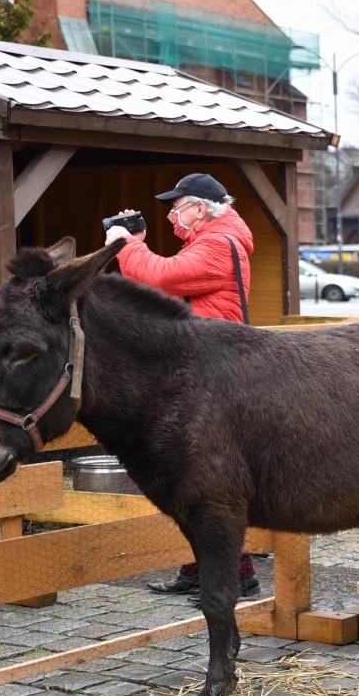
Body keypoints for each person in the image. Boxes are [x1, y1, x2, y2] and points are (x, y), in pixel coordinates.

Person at [105, 172, 259, 601]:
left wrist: (126, 242)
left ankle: (238, 574)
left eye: (179, 205)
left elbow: (161, 277)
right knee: (197, 477)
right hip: (208, 364)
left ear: (201, 208)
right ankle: (201, 569)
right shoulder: (212, 238)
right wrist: (134, 238)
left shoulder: (216, 245)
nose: (173, 213)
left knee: (206, 477)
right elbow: (157, 280)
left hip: (214, 369)